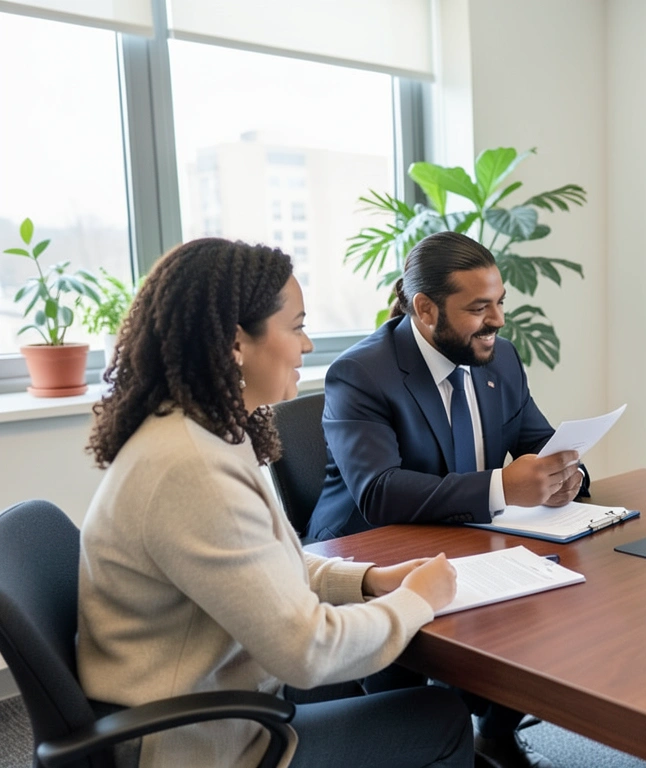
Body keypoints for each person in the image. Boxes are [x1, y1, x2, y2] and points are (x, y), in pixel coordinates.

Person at [77, 239, 472, 768]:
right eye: (297, 325)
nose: (307, 344)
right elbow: (308, 653)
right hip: (197, 744)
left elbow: (261, 561)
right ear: (237, 341)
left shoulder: (201, 432)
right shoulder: (190, 467)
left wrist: (366, 581)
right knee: (438, 717)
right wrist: (417, 600)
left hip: (221, 698)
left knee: (386, 694)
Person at [309, 230, 575, 768]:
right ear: (425, 309)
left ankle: (494, 734)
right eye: (479, 308)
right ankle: (435, 738)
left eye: (499, 302)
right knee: (422, 696)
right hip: (369, 555)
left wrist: (567, 472)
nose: (497, 320)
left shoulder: (499, 360)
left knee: (556, 604)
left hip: (464, 541)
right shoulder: (363, 373)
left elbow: (538, 442)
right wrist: (504, 487)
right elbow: (379, 491)